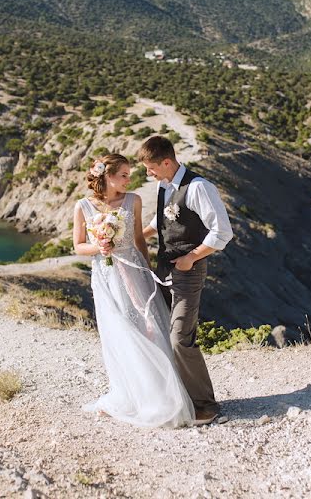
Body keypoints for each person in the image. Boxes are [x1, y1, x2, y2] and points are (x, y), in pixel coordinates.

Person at [72, 153, 194, 428]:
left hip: (135, 271)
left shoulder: (134, 200)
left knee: (147, 327)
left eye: (130, 174)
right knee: (119, 331)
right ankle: (130, 393)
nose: (130, 180)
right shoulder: (83, 206)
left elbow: (139, 238)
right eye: (124, 175)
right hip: (105, 276)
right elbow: (79, 246)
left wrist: (149, 274)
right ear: (107, 176)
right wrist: (100, 247)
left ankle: (160, 395)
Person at [137, 136, 233, 426]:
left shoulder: (200, 188)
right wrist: (136, 236)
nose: (147, 174)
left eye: (150, 168)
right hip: (163, 271)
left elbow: (222, 233)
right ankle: (181, 398)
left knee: (180, 338)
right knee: (162, 334)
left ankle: (207, 405)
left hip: (188, 272)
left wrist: (192, 257)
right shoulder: (163, 185)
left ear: (166, 162)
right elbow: (162, 223)